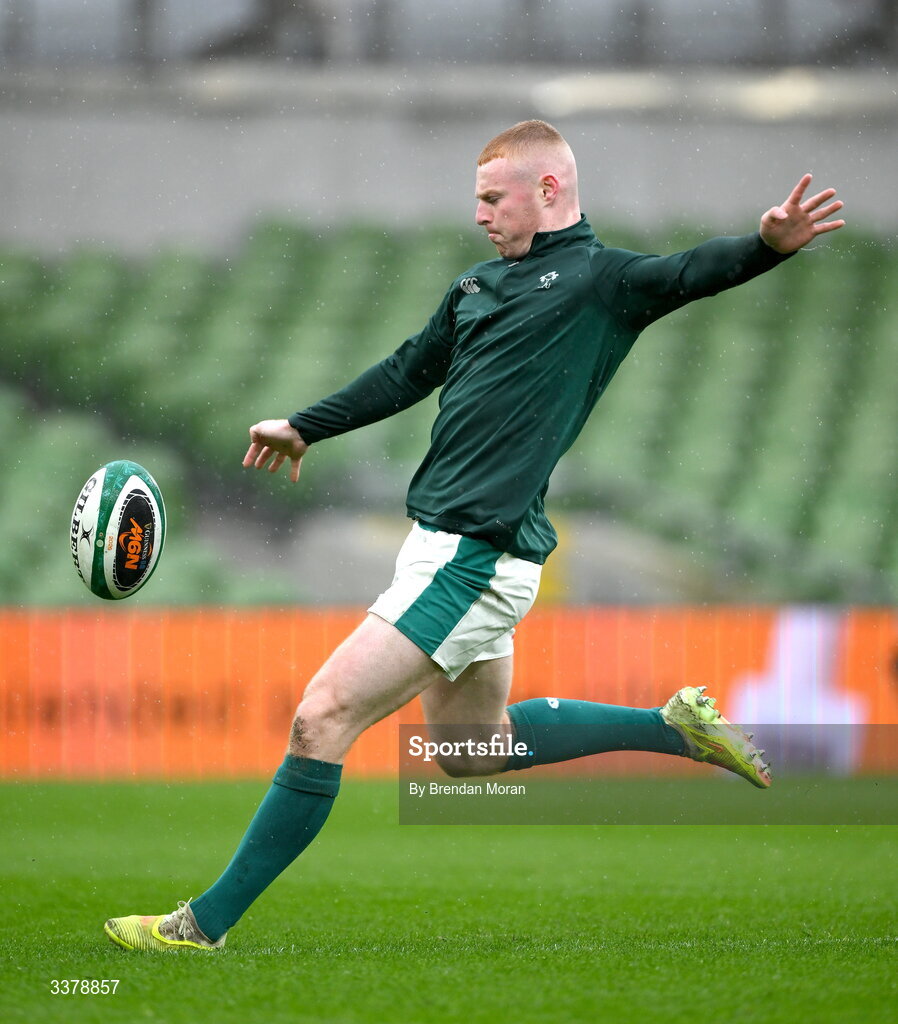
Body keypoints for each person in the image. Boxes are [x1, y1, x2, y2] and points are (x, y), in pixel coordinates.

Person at [104, 120, 844, 952]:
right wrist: (305, 426)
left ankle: (200, 926)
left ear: (550, 191)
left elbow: (688, 273)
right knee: (469, 753)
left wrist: (766, 246)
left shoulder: (602, 281)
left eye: (495, 198)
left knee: (320, 719)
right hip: (449, 550)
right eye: (478, 199)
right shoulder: (475, 289)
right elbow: (408, 370)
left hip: (472, 558)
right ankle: (671, 726)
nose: (483, 214)